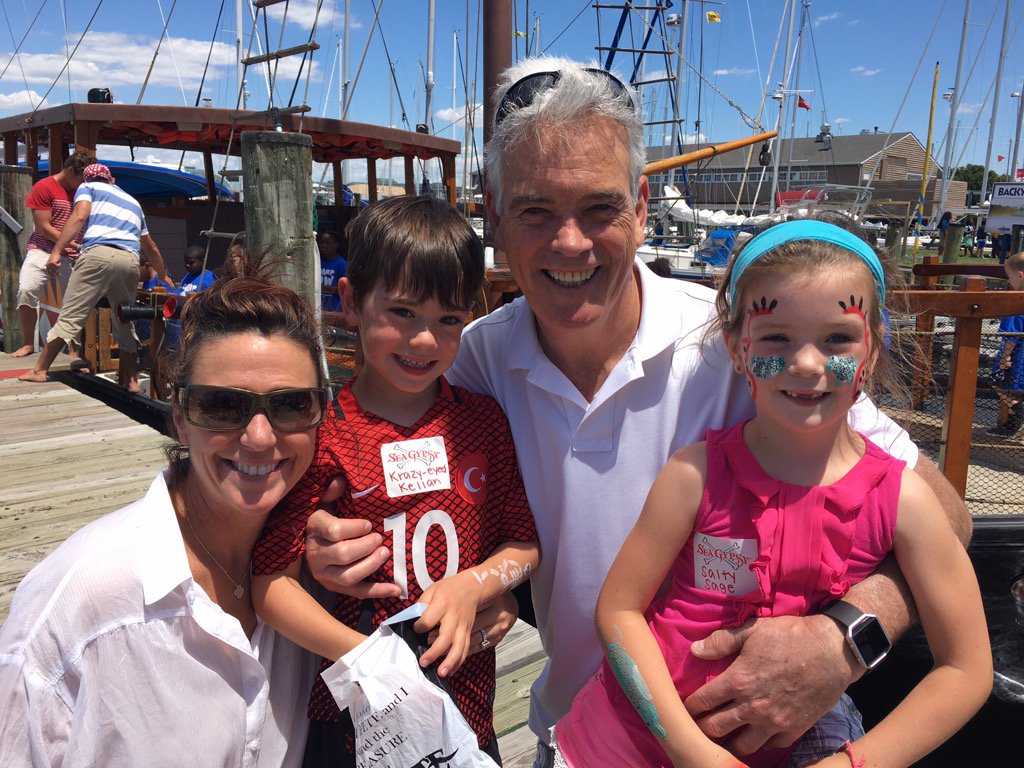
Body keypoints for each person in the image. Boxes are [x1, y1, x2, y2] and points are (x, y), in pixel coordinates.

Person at [302, 58, 972, 767]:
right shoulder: (467, 362)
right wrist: (332, 543)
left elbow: (947, 519)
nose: (569, 242)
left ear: (642, 206)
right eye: (535, 210)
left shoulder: (743, 350)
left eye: (599, 208)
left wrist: (844, 639)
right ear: (493, 215)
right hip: (577, 738)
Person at [553, 220, 992, 768]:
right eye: (777, 337)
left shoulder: (905, 501)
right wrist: (692, 753)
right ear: (739, 351)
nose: (806, 363)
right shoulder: (695, 475)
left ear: (871, 352)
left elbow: (965, 669)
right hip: (608, 749)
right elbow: (619, 611)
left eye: (837, 337)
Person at [250, 195, 540, 767]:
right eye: (403, 313)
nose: (425, 340)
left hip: (467, 703)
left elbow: (524, 543)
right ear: (353, 302)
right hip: (359, 716)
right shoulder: (323, 435)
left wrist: (477, 586)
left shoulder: (485, 421)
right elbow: (271, 586)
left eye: (449, 320)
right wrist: (375, 660)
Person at [0, 268, 326, 766]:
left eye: (291, 406)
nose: (260, 436)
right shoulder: (84, 601)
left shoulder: (324, 567)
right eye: (221, 405)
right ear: (178, 414)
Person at [18, 163, 170, 392]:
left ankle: (39, 370)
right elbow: (150, 246)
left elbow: (79, 217)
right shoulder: (133, 202)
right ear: (112, 180)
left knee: (70, 315)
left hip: (97, 254)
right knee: (124, 317)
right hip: (129, 259)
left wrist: (57, 251)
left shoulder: (88, 189)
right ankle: (130, 381)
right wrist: (164, 274)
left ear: (87, 180)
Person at [10, 150, 92, 357]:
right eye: (82, 177)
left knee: (74, 303)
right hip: (42, 249)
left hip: (73, 255)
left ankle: (73, 349)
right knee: (27, 291)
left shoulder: (84, 190)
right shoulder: (44, 186)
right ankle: (29, 343)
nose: (85, 182)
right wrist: (70, 243)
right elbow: (43, 227)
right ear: (71, 170)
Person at [988, 251, 1024, 437]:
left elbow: (1012, 335)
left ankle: (1017, 411)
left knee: (996, 381)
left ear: (1019, 275)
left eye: (1010, 277)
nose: (1009, 282)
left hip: (1017, 357)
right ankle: (1011, 424)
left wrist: (1004, 357)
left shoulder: (1016, 303)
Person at [317, 230, 347, 312]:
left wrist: (320, 288)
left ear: (336, 245)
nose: (323, 245)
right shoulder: (317, 262)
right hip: (319, 309)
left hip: (335, 310)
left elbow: (344, 289)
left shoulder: (342, 264)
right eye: (322, 243)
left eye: (327, 243)